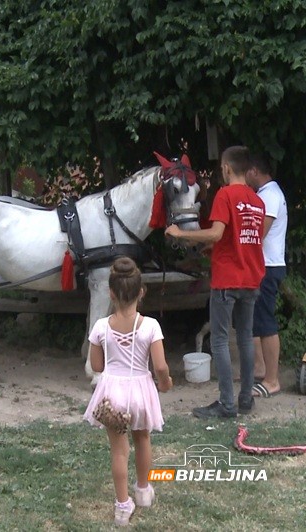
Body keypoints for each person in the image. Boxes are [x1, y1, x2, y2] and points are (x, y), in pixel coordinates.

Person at [166, 146, 265, 418]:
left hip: (227, 279)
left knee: (220, 340)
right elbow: (242, 238)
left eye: (221, 167)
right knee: (245, 337)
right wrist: (214, 248)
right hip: (251, 277)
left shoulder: (225, 195)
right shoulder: (257, 201)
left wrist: (181, 234)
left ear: (227, 168)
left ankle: (226, 404)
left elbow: (217, 233)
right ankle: (245, 399)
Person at [83, 256, 173, 527]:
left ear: (111, 293)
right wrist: (166, 382)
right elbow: (160, 366)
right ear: (141, 292)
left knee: (118, 451)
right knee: (143, 439)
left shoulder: (100, 327)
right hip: (141, 390)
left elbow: (96, 365)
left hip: (112, 394)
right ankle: (143, 490)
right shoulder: (151, 326)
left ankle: (122, 506)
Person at [246, 153, 288, 398]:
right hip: (263, 264)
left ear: (253, 170)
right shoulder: (265, 194)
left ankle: (272, 380)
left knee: (266, 322)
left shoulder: (270, 195)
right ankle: (260, 368)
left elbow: (259, 233)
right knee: (255, 320)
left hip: (268, 265)